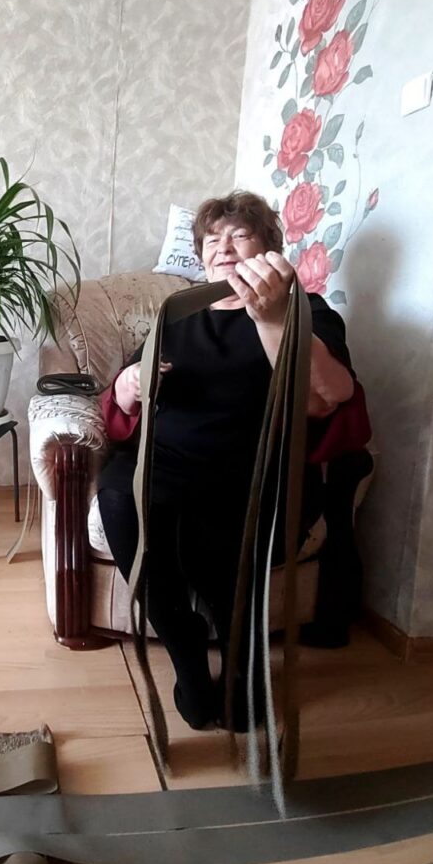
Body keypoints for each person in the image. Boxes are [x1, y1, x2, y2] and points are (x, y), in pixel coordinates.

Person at [97, 190, 355, 731]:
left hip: (254, 473)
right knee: (119, 497)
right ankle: (184, 647)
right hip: (164, 463)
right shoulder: (178, 315)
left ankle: (242, 663)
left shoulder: (306, 310)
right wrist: (128, 386)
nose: (224, 248)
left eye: (241, 235)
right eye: (212, 239)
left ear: (269, 248)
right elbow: (120, 399)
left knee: (210, 533)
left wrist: (273, 318)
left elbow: (329, 397)